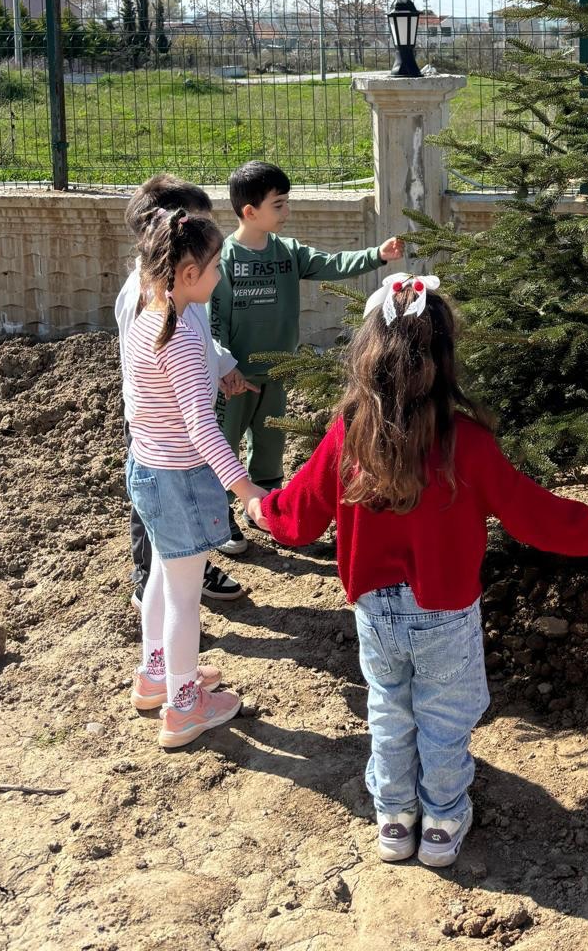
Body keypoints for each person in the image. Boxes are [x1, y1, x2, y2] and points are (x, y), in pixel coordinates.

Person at [247, 273, 588, 868]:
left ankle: (395, 818)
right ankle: (442, 823)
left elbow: (296, 518)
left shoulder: (349, 434)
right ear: (444, 359)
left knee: (388, 710)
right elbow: (536, 516)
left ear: (369, 354)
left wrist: (259, 506)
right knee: (445, 718)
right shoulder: (465, 441)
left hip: (374, 610)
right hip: (445, 610)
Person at [123, 208, 267, 748]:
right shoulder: (181, 338)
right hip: (179, 478)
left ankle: (156, 675)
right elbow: (201, 427)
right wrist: (244, 488)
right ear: (188, 274)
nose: (220, 274)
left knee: (163, 577)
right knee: (186, 598)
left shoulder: (147, 317)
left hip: (147, 469)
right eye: (215, 266)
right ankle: (184, 707)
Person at [210, 160, 404, 555]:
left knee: (270, 445)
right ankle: (217, 516)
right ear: (250, 211)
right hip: (235, 378)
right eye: (279, 204)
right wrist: (223, 366)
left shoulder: (287, 252)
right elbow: (215, 320)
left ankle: (266, 510)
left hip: (278, 371)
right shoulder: (225, 260)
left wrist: (377, 255)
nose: (287, 211)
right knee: (224, 446)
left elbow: (331, 264)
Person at [116, 175, 254, 609]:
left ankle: (186, 564)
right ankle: (148, 579)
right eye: (194, 224)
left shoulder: (176, 291)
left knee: (176, 524)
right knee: (157, 513)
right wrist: (246, 490)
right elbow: (167, 356)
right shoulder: (143, 299)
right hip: (159, 425)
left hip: (179, 417)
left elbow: (197, 340)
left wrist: (221, 366)